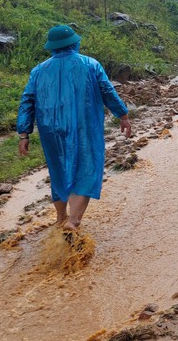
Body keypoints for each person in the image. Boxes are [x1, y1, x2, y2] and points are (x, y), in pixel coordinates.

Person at [17, 25, 131, 232]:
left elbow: (27, 101)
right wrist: (122, 114)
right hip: (84, 126)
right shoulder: (90, 64)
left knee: (59, 170)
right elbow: (107, 91)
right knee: (87, 169)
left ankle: (60, 218)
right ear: (74, 44)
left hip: (50, 129)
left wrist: (24, 134)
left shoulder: (38, 71)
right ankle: (74, 220)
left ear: (52, 47)